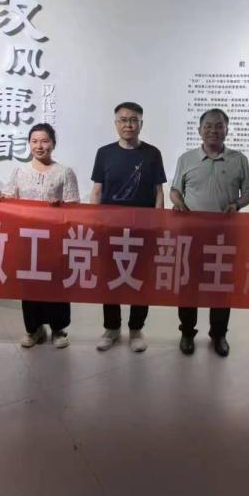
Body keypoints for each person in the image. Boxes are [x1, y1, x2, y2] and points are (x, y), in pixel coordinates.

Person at [170, 108, 249, 357]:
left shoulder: (239, 159)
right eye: (208, 126)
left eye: (219, 126)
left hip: (224, 238)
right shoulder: (186, 159)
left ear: (227, 130)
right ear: (199, 130)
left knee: (221, 287)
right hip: (191, 236)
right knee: (188, 285)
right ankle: (187, 332)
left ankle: (219, 334)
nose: (213, 130)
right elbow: (175, 190)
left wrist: (236, 204)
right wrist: (178, 203)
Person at [0, 123, 80, 349]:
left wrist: (61, 205)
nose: (39, 146)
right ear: (29, 144)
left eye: (44, 141)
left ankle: (59, 329)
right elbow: (9, 199)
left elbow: (74, 205)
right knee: (30, 284)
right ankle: (34, 329)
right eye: (34, 141)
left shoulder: (64, 172)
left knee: (56, 283)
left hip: (55, 240)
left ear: (53, 144)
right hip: (27, 239)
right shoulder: (19, 172)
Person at [90, 102, 166, 353]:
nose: (128, 125)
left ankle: (136, 329)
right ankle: (111, 328)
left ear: (141, 124)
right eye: (123, 120)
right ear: (116, 124)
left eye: (134, 120)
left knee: (140, 278)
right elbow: (97, 190)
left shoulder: (152, 154)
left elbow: (158, 192)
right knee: (110, 278)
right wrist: (94, 222)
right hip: (110, 229)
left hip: (142, 230)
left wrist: (157, 223)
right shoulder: (104, 153)